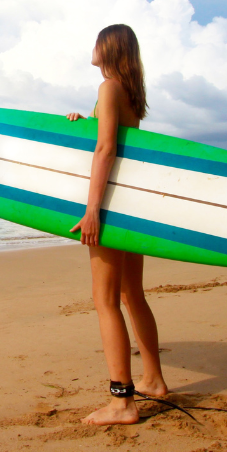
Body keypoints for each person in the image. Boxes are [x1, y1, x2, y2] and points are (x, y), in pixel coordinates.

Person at [66, 24, 169, 425]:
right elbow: (112, 139)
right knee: (132, 295)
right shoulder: (127, 92)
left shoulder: (108, 88)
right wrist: (84, 121)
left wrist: (92, 210)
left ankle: (122, 402)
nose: (91, 48)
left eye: (97, 42)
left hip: (108, 205)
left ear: (108, 48)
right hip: (130, 206)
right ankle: (154, 380)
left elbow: (106, 149)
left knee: (105, 300)